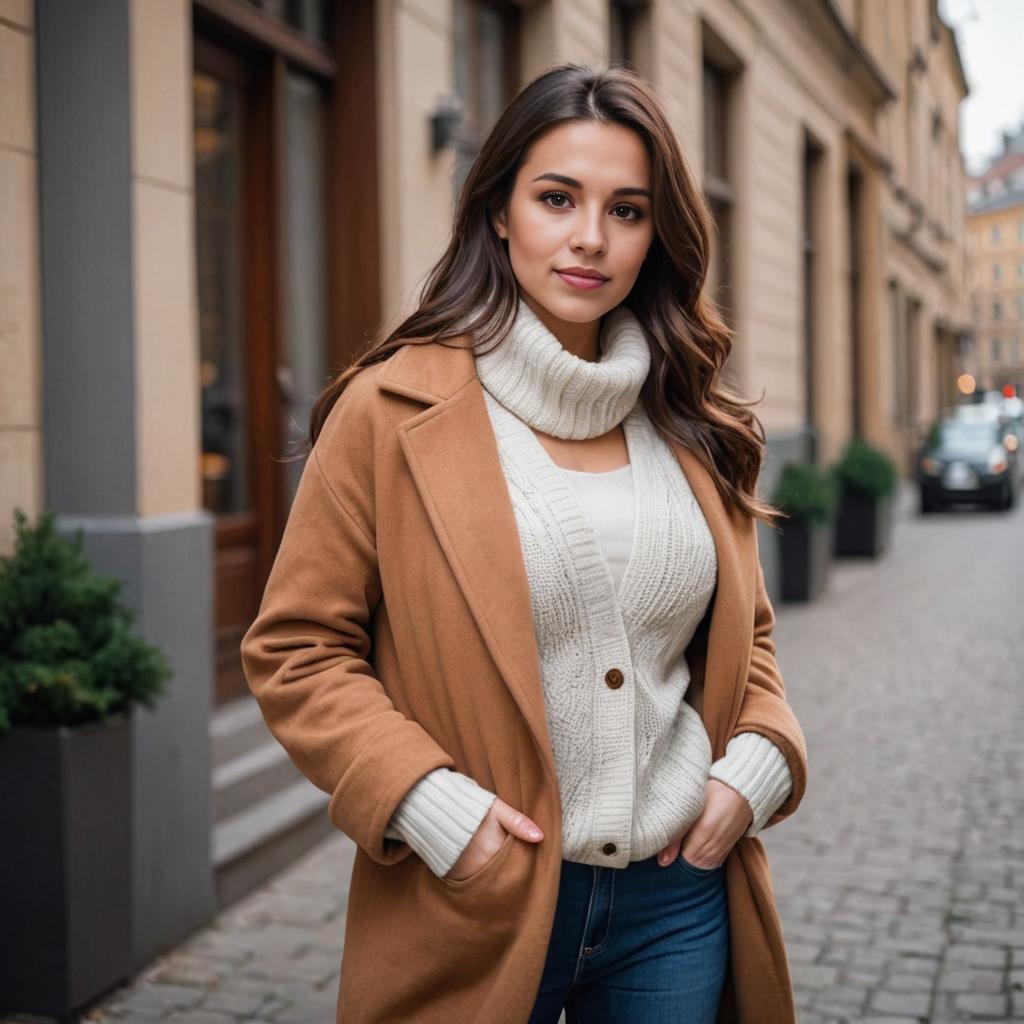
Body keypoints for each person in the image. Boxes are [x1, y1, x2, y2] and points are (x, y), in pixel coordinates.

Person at [240, 62, 808, 1024]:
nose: (591, 237)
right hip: (475, 900)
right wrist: (428, 804)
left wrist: (756, 768)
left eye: (627, 210)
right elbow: (297, 650)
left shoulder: (692, 421)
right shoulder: (393, 411)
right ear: (500, 211)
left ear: (655, 234)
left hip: (676, 904)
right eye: (557, 198)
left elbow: (744, 640)